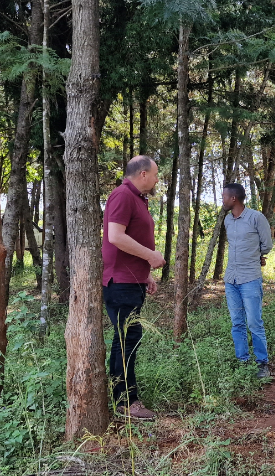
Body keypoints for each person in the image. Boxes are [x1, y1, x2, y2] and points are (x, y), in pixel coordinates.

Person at [103, 155, 166, 420]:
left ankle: (123, 398)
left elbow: (129, 240)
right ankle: (126, 403)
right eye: (155, 175)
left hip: (132, 280)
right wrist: (151, 256)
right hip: (121, 283)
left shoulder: (137, 198)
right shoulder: (122, 196)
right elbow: (115, 236)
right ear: (142, 174)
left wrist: (145, 274)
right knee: (127, 340)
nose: (156, 179)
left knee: (127, 339)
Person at [221, 183, 273, 379]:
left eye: (224, 196)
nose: (223, 200)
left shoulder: (255, 218)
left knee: (254, 321)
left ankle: (262, 363)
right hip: (231, 279)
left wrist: (258, 255)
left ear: (234, 198)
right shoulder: (227, 220)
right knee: (237, 323)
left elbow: (266, 244)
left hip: (250, 278)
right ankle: (243, 361)